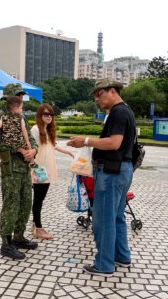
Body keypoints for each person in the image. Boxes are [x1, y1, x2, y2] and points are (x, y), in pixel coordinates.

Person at [67, 78, 136, 277]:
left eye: (100, 94)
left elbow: (114, 143)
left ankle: (104, 264)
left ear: (112, 91)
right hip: (123, 170)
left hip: (111, 172)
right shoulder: (126, 110)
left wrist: (86, 141)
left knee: (103, 219)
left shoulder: (118, 112)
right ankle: (122, 256)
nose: (97, 98)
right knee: (116, 217)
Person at [0, 83, 38, 260]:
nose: (22, 98)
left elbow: (31, 139)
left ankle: (18, 237)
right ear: (9, 97)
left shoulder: (21, 115)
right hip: (10, 169)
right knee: (11, 203)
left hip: (24, 168)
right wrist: (18, 148)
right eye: (18, 95)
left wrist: (33, 150)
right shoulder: (0, 116)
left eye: (22, 95)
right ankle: (6, 243)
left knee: (26, 202)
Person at [31, 103, 74, 239]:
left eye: (51, 114)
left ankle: (35, 224)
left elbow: (53, 146)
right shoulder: (36, 129)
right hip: (40, 168)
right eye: (46, 114)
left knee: (41, 198)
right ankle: (38, 228)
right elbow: (31, 148)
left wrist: (69, 152)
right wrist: (33, 167)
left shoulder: (47, 129)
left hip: (48, 167)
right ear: (40, 115)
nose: (49, 117)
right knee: (38, 198)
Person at [0, 96, 36, 169]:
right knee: (28, 148)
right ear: (16, 109)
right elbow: (24, 130)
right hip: (18, 141)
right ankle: (32, 162)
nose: (21, 110)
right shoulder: (20, 118)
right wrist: (27, 141)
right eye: (21, 108)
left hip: (7, 141)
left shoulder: (3, 117)